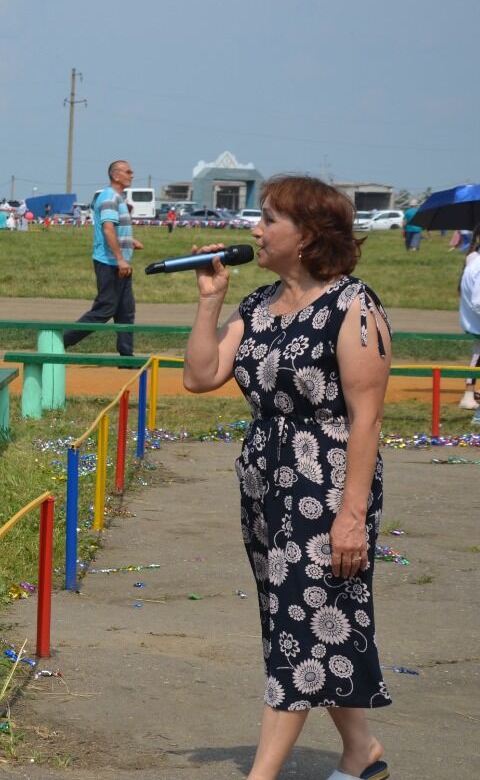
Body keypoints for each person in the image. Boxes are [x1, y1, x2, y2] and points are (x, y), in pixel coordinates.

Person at [182, 175, 393, 780]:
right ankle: (362, 750)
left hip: (327, 485)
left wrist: (351, 516)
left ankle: (261, 775)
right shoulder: (257, 306)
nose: (255, 228)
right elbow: (200, 377)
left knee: (302, 620)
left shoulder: (353, 306)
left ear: (307, 237)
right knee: (297, 614)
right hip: (266, 482)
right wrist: (209, 303)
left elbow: (367, 417)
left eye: (270, 219)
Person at [62, 160, 145, 357]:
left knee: (126, 310)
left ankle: (127, 357)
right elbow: (107, 229)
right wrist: (120, 260)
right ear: (116, 176)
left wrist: (129, 240)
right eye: (128, 171)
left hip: (118, 262)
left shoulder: (117, 198)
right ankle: (60, 341)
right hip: (110, 264)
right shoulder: (109, 198)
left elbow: (111, 228)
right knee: (105, 309)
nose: (132, 175)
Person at [458, 233, 480, 412]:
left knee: (478, 353)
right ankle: (468, 394)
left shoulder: (474, 258)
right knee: (478, 355)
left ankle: (470, 394)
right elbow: (478, 301)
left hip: (472, 317)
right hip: (476, 318)